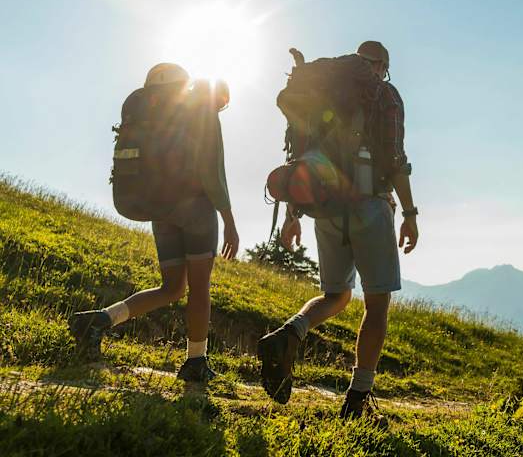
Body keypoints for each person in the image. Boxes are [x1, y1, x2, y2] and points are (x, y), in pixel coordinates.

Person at [258, 41, 419, 419]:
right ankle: (358, 398)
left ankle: (290, 333)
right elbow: (395, 160)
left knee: (336, 294)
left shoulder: (322, 93)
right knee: (376, 305)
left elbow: (299, 156)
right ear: (380, 65)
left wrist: (292, 214)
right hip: (370, 205)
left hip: (326, 209)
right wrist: (410, 212)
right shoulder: (384, 93)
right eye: (385, 68)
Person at [69, 63, 239, 382]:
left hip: (160, 207)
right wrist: (228, 220)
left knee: (173, 287)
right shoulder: (205, 110)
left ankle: (99, 321)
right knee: (199, 287)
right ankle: (195, 362)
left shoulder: (157, 114)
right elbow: (212, 172)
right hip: (195, 209)